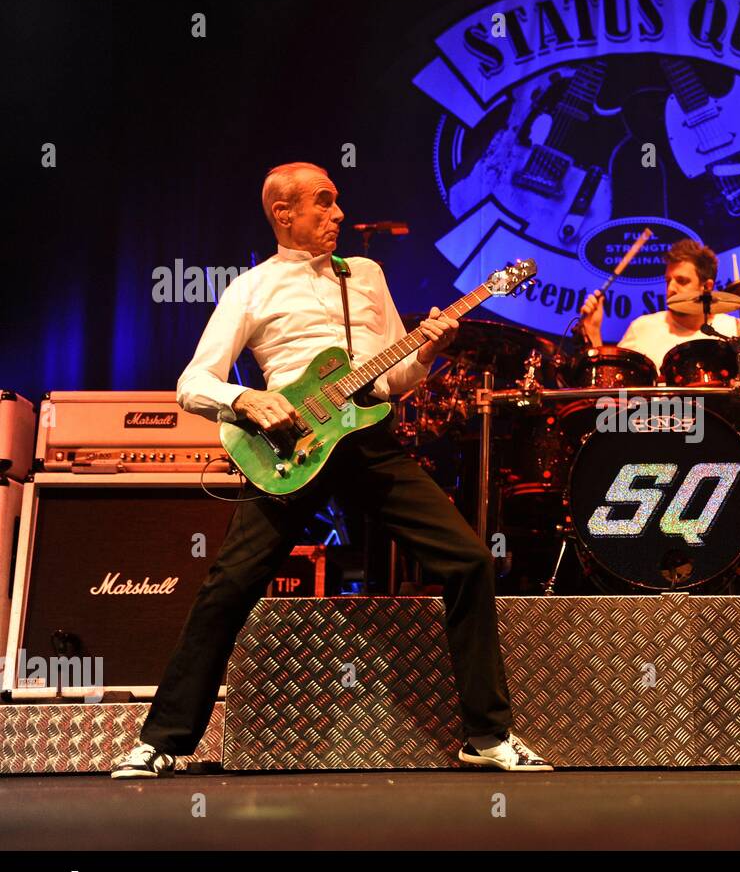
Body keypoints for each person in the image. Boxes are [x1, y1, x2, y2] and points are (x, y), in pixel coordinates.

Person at [111, 162, 551, 778]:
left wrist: (428, 349)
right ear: (283, 213)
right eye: (324, 202)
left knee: (469, 560)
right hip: (292, 451)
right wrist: (246, 400)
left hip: (368, 442)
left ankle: (486, 735)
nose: (339, 213)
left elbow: (393, 379)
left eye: (337, 201)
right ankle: (162, 740)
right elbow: (192, 382)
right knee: (227, 587)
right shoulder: (252, 289)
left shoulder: (366, 275)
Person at [578, 238, 740, 371]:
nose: (671, 288)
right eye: (668, 280)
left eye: (681, 281)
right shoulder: (642, 328)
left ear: (707, 287)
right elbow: (611, 385)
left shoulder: (731, 330)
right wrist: (593, 333)